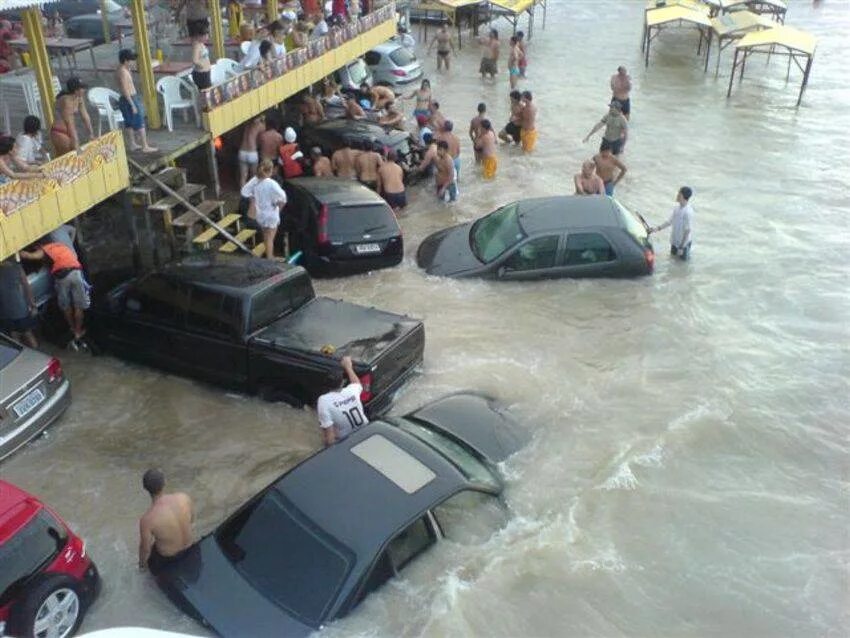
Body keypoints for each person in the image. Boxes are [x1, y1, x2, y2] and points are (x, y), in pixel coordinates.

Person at [19, 239, 89, 348]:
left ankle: (72, 328)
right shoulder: (60, 245)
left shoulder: (45, 249)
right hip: (76, 272)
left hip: (63, 276)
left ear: (38, 246)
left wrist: (16, 253)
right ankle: (78, 330)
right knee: (78, 306)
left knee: (65, 306)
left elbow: (30, 256)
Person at [138, 469, 194, 574]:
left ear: (145, 488)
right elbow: (192, 520)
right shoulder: (184, 497)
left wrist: (142, 566)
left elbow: (145, 549)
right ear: (165, 482)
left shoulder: (147, 519)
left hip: (169, 560)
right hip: (191, 548)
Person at [316, 356, 369, 447]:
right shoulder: (352, 390)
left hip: (347, 442)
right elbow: (357, 383)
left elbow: (330, 438)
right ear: (342, 382)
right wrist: (348, 367)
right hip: (366, 432)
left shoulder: (323, 400)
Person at [241, 159, 287, 259]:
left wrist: (252, 197)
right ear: (271, 170)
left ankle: (268, 254)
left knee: (266, 236)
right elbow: (283, 197)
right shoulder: (271, 183)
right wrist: (279, 208)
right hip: (271, 212)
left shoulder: (255, 180)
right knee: (270, 237)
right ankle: (270, 257)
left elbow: (244, 191)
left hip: (260, 214)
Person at [116, 49, 158, 153]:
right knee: (140, 121)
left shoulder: (123, 69)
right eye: (131, 60)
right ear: (126, 60)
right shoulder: (123, 72)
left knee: (129, 123)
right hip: (129, 98)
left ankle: (132, 144)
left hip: (127, 98)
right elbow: (125, 90)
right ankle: (145, 146)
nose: (133, 62)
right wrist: (132, 104)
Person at [0, 258, 38, 348]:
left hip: (5, 310)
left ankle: (22, 358)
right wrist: (32, 305)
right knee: (27, 333)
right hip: (20, 308)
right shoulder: (16, 266)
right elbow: (26, 286)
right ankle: (37, 356)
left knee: (14, 336)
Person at [50, 77, 93, 157]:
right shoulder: (66, 101)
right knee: (67, 157)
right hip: (59, 132)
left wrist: (91, 134)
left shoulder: (79, 98)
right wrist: (76, 144)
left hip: (67, 130)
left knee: (66, 158)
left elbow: (85, 116)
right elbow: (70, 124)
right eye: (82, 88)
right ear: (76, 90)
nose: (84, 90)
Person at [650, 186, 695, 260]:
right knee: (673, 261)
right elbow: (669, 222)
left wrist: (681, 247)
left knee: (682, 265)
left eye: (679, 194)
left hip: (683, 245)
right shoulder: (677, 208)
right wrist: (657, 229)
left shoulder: (688, 212)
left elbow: (687, 231)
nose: (677, 195)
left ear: (683, 196)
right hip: (675, 242)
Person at [238, 115, 264, 186]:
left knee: (243, 177)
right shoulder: (260, 125)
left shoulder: (246, 123)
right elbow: (261, 139)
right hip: (252, 152)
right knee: (253, 176)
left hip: (242, 151)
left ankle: (243, 195)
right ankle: (253, 194)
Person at [190, 22, 212, 90]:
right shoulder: (197, 45)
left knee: (208, 90)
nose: (206, 37)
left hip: (206, 72)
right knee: (206, 91)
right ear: (198, 36)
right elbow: (194, 60)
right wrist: (201, 65)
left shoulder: (202, 44)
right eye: (204, 36)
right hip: (201, 74)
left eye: (207, 35)